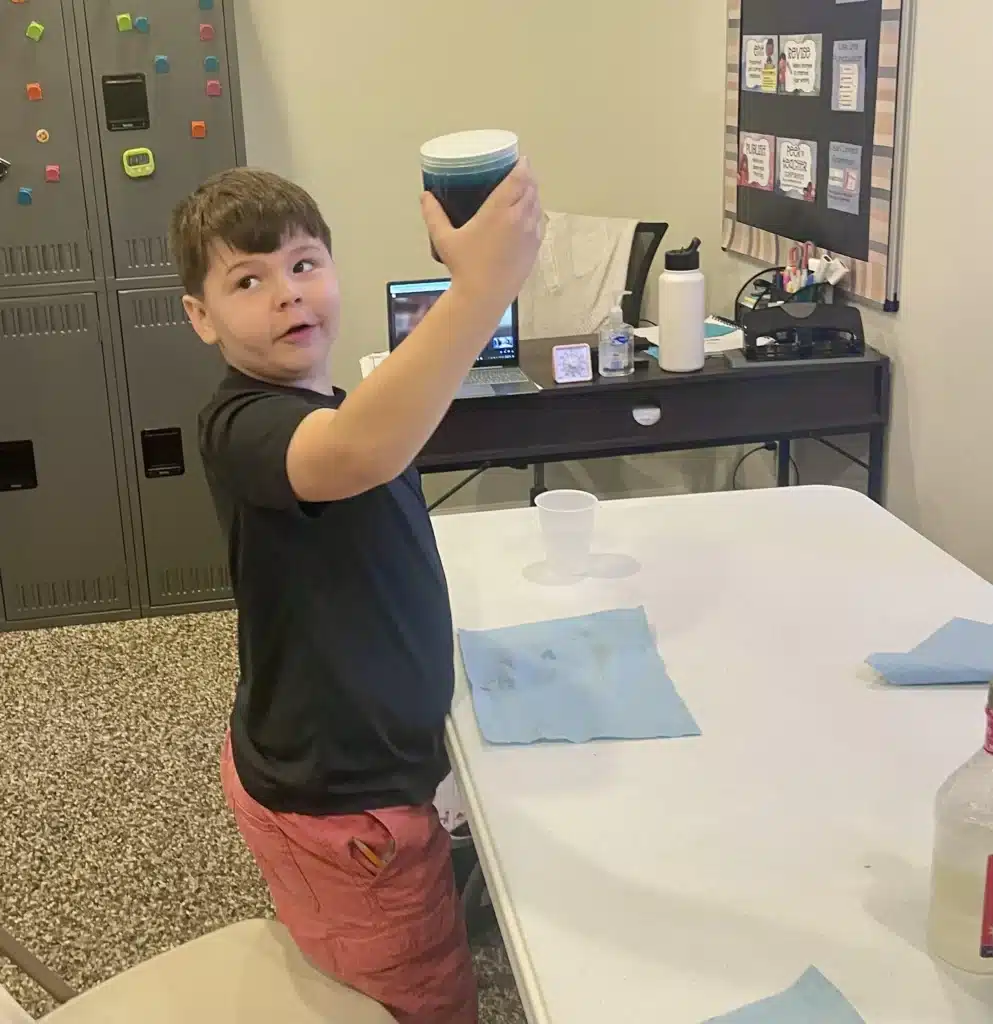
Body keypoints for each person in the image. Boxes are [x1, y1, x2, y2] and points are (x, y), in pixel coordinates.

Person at [168, 163, 543, 1022]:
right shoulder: (243, 427)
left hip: (365, 759)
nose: (287, 295)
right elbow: (357, 452)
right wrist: (482, 289)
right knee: (413, 995)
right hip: (339, 799)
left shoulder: (332, 402)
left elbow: (375, 435)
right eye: (247, 280)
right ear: (200, 317)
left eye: (303, 265)